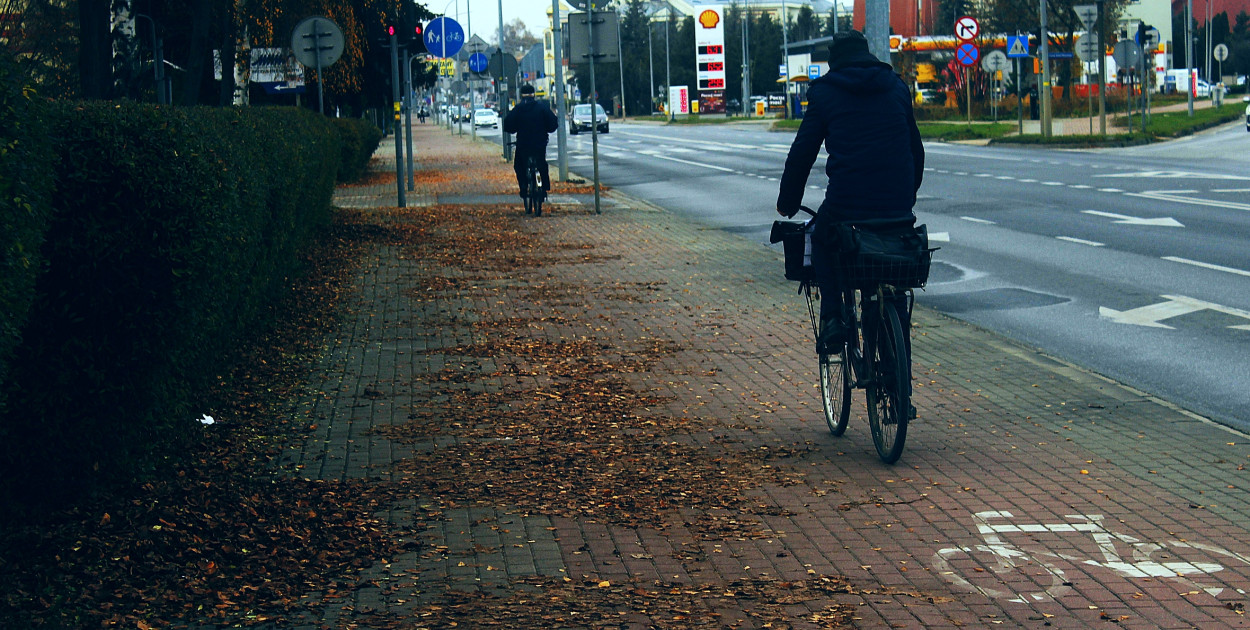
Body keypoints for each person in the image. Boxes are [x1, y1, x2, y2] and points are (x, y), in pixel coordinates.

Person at [775, 30, 924, 361]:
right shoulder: (898, 87)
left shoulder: (826, 93)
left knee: (823, 238)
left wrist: (788, 202)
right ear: (867, 53)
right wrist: (906, 195)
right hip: (897, 209)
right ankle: (901, 389)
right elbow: (916, 149)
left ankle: (832, 318)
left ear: (834, 60)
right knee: (893, 280)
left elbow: (802, 153)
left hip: (847, 205)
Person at [503, 84, 558, 203]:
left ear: (521, 95)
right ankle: (544, 188)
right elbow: (553, 123)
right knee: (542, 164)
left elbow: (508, 124)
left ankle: (524, 186)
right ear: (533, 94)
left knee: (519, 165)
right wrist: (546, 129)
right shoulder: (542, 107)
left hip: (523, 144)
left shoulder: (518, 108)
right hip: (539, 143)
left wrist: (513, 129)